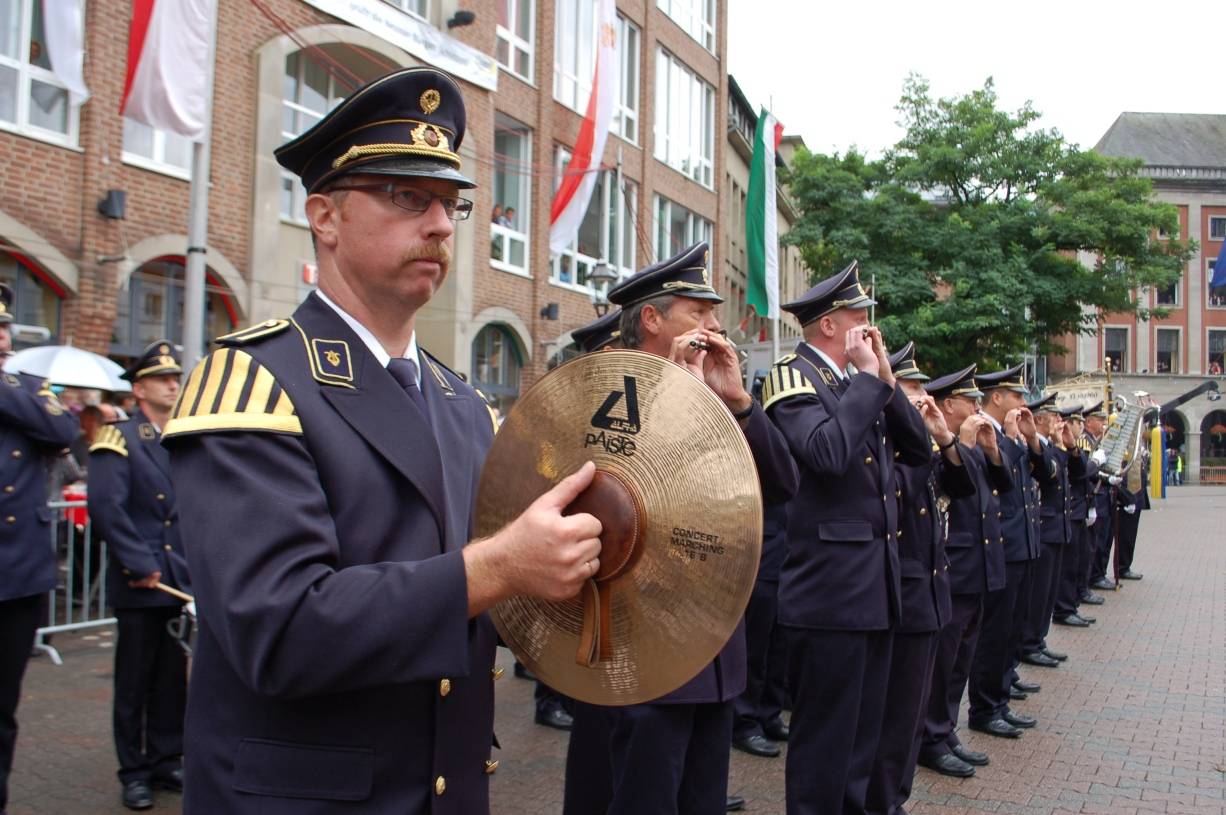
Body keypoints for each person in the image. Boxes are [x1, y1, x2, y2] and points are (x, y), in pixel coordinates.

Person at [163, 67, 605, 814]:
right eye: (407, 197)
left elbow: (497, 607)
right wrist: (498, 565)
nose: (439, 224)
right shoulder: (251, 381)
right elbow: (280, 627)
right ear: (325, 217)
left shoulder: (465, 405)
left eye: (450, 204)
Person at [562, 241, 798, 815]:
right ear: (652, 319)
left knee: (701, 799)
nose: (716, 325)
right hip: (642, 643)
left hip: (713, 645)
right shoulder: (607, 391)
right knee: (639, 795)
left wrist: (739, 402)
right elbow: (615, 501)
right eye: (699, 312)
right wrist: (676, 397)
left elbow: (785, 485)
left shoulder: (715, 397)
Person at [761, 261, 930, 814]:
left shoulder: (858, 383)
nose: (870, 327)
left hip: (874, 590)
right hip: (829, 594)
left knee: (862, 739)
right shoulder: (791, 378)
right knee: (825, 744)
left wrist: (882, 377)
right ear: (830, 326)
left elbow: (920, 452)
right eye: (860, 318)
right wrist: (864, 382)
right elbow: (828, 456)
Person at [865, 342, 974, 813]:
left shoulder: (924, 444)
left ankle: (896, 795)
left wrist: (944, 439)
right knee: (892, 718)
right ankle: (882, 800)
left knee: (911, 715)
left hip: (931, 592)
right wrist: (921, 447)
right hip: (901, 597)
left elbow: (964, 488)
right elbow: (897, 499)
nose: (921, 399)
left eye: (919, 391)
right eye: (909, 391)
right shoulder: (884, 445)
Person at [88, 341, 192, 811]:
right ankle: (134, 771)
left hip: (178, 579)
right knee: (134, 682)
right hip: (141, 579)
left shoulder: (183, 437)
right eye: (163, 378)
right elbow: (107, 510)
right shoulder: (118, 437)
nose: (174, 383)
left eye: (176, 376)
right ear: (139, 388)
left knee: (172, 679)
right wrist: (140, 564)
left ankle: (167, 757)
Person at [0, 283, 79, 815]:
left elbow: (63, 427)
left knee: (1, 708)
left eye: (2, 326)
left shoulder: (30, 386)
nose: (1, 334)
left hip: (15, 570)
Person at [918, 366, 1015, 778]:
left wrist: (991, 450)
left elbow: (1004, 485)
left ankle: (946, 730)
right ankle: (931, 737)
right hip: (955, 567)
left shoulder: (971, 445)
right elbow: (950, 488)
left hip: (980, 567)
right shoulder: (935, 445)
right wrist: (965, 444)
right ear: (948, 405)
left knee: (961, 659)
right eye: (969, 401)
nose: (978, 408)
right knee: (944, 661)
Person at [964, 365, 1049, 764]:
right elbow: (1007, 479)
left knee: (1011, 626)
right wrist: (1014, 438)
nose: (1022, 404)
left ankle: (999, 696)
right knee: (993, 632)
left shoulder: (1011, 435)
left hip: (1022, 542)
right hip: (1002, 543)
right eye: (1017, 397)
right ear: (996, 397)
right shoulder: (985, 432)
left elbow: (1045, 477)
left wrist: (1031, 438)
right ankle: (985, 706)